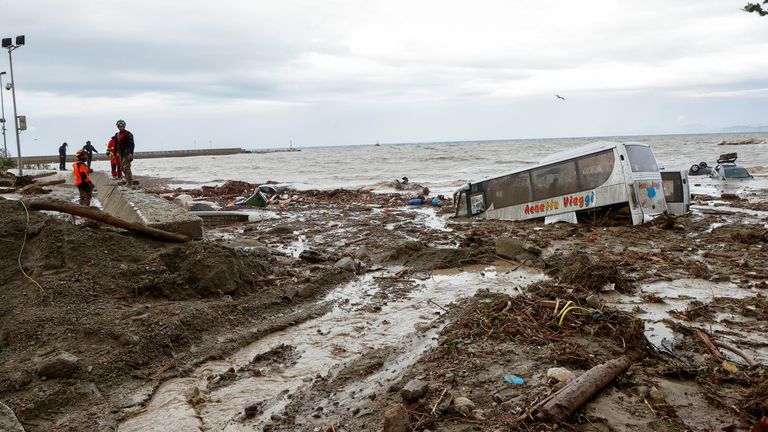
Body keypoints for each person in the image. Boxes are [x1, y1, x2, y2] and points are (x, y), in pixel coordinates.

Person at [114, 119, 135, 188]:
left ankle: (130, 182)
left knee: (126, 167)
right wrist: (114, 154)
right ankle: (127, 180)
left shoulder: (128, 134)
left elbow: (132, 144)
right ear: (117, 127)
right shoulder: (117, 135)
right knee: (122, 168)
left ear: (124, 126)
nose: (121, 127)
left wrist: (131, 153)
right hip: (121, 153)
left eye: (122, 126)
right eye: (119, 126)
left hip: (127, 153)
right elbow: (116, 145)